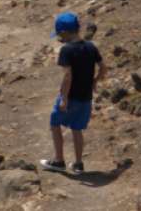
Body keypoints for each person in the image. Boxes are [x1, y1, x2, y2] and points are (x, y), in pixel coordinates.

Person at [40, 12, 106, 174]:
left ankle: (59, 161)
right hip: (86, 97)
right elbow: (104, 67)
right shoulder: (91, 46)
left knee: (55, 124)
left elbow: (68, 75)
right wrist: (95, 82)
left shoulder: (66, 50)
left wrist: (64, 98)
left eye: (59, 34)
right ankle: (78, 164)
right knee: (77, 129)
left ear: (64, 32)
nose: (59, 38)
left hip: (71, 97)